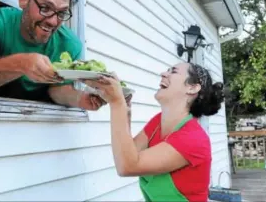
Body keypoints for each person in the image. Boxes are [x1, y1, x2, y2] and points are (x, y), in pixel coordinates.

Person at [84, 62, 225, 202]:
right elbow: (128, 153)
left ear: (192, 88)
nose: (163, 73)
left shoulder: (193, 138)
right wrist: (124, 110)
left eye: (173, 71)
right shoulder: (158, 122)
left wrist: (117, 103)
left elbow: (127, 166)